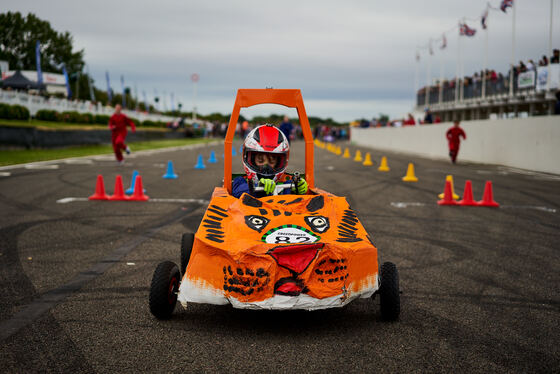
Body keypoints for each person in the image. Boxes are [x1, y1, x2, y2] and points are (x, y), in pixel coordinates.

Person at [232, 124, 308, 198]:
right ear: (249, 159)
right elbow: (238, 191)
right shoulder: (240, 182)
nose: (266, 167)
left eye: (272, 161)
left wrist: (298, 187)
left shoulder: (286, 186)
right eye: (260, 160)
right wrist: (260, 188)